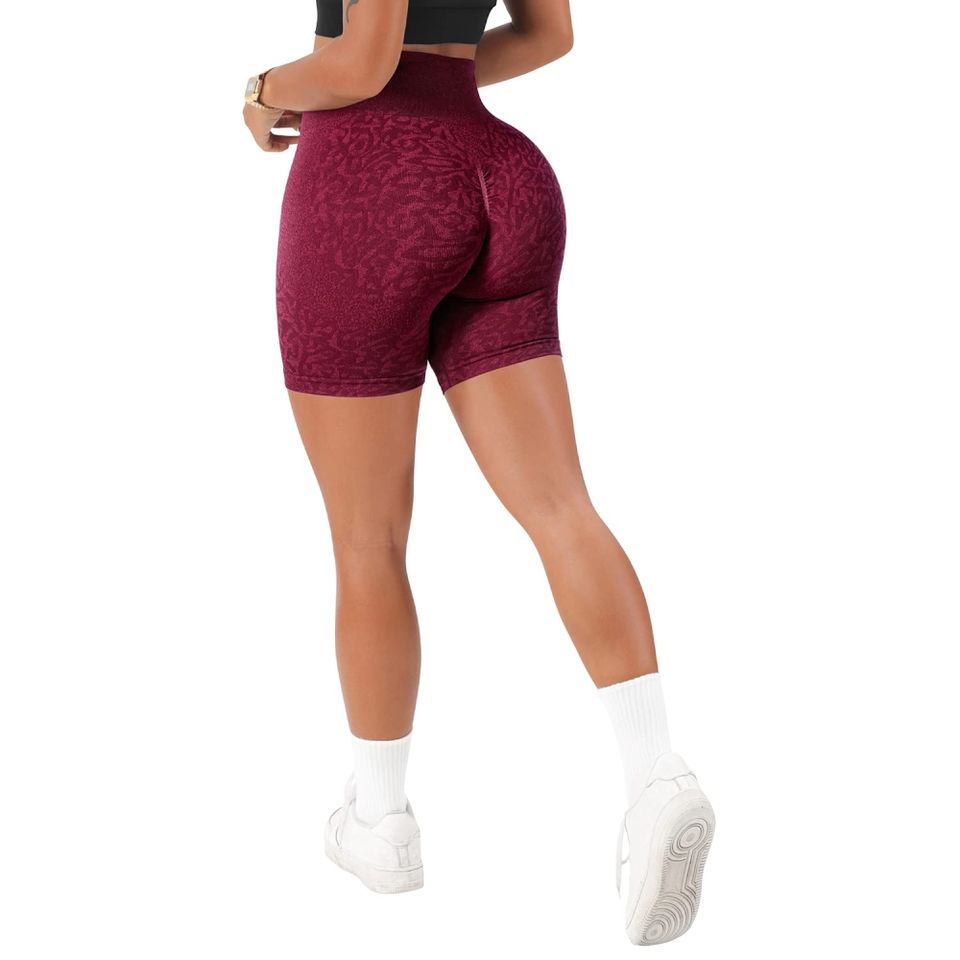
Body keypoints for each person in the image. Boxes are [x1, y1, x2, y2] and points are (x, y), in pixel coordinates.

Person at [242, 0, 715, 946]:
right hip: (503, 174)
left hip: (372, 187)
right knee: (560, 505)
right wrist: (443, 89)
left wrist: (264, 92)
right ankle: (656, 775)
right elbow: (548, 35)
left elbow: (363, 62)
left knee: (368, 537)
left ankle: (380, 819)